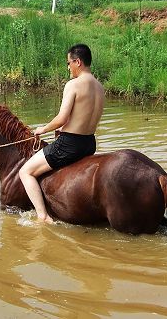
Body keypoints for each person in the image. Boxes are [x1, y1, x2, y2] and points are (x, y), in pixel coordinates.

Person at [19, 43, 104, 224]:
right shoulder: (99, 87)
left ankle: (42, 216)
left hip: (70, 144)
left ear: (78, 62)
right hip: (89, 143)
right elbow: (86, 116)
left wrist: (42, 129)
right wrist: (67, 126)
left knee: (25, 172)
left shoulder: (73, 85)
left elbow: (61, 117)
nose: (68, 67)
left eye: (69, 63)